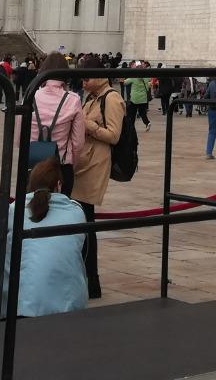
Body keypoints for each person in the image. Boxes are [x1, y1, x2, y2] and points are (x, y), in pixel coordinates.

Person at [72, 61, 124, 301]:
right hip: (83, 162)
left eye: (87, 79)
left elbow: (114, 135)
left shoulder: (111, 98)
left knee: (86, 221)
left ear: (99, 77)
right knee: (82, 220)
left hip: (95, 164)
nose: (83, 83)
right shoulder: (91, 97)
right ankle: (84, 278)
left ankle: (92, 281)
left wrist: (88, 125)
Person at [8, 157, 86, 318]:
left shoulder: (14, 210)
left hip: (23, 306)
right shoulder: (76, 211)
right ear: (59, 185)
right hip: (69, 305)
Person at [27, 53, 84, 193]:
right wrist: (73, 165)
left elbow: (18, 138)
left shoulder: (30, 95)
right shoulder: (73, 99)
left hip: (32, 164)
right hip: (61, 166)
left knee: (30, 204)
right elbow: (78, 143)